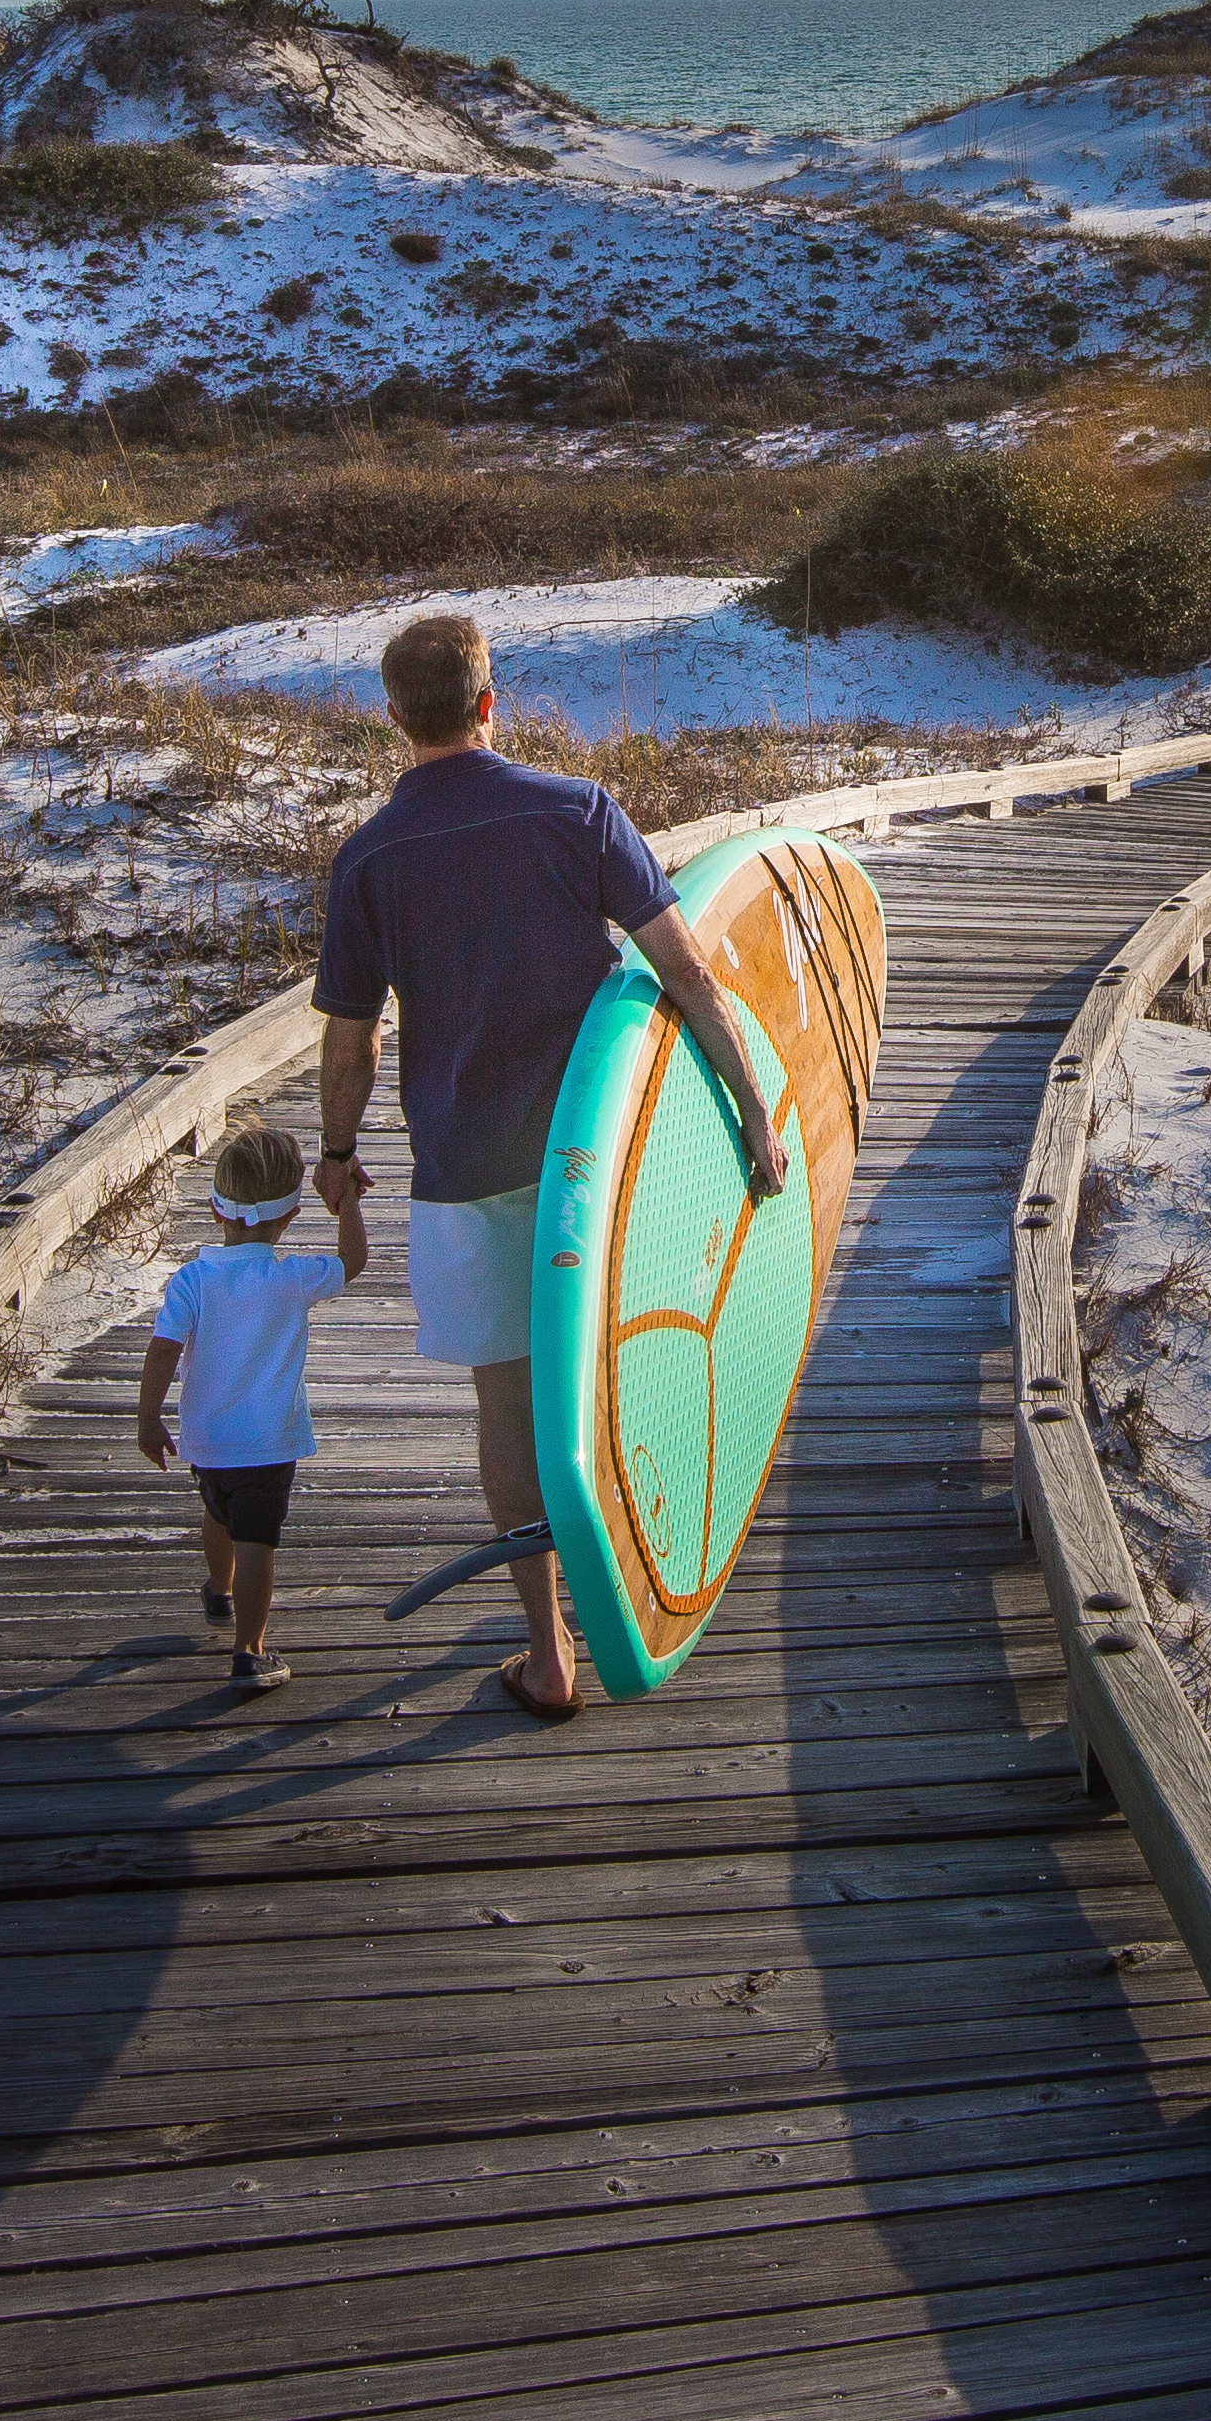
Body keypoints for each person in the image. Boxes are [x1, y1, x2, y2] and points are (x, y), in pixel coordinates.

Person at [311, 611, 782, 1723]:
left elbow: (349, 1040)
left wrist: (337, 1156)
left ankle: (548, 1644)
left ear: (395, 719)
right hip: (598, 1156)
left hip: (464, 1171)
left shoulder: (369, 856)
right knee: (616, 1364)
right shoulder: (578, 812)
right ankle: (639, 1565)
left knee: (508, 1408)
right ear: (491, 703)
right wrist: (754, 1111)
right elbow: (687, 974)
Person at [134, 1122, 352, 1695]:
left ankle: (218, 1589)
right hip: (267, 1441)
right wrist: (347, 1201)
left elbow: (163, 1348)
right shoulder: (292, 1275)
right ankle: (250, 1651)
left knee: (218, 1513)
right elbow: (352, 1262)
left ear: (214, 1208)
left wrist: (147, 1416)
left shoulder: (192, 1280)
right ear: (289, 1216)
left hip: (206, 1439)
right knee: (258, 1541)